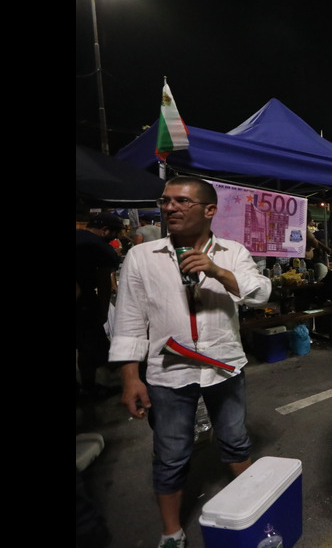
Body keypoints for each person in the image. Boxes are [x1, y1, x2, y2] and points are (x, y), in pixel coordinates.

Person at [109, 176, 272, 548]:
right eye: (166, 201)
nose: (170, 208)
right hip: (167, 372)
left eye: (182, 201)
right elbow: (129, 320)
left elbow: (260, 293)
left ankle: (248, 514)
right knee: (170, 454)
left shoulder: (232, 251)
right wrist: (130, 378)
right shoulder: (141, 257)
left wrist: (216, 270)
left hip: (224, 367)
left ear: (209, 210)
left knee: (234, 440)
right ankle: (171, 532)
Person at [76, 212, 124, 401]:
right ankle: (89, 389)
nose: (117, 237)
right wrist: (103, 312)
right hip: (82, 304)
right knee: (87, 348)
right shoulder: (101, 248)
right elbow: (104, 283)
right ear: (105, 230)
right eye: (115, 233)